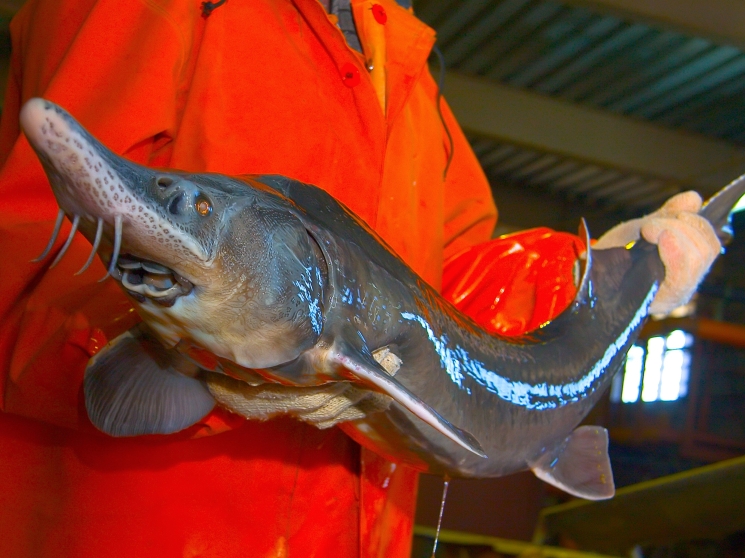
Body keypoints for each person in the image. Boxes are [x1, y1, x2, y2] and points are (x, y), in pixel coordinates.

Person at [0, 1, 719, 557]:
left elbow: (451, 297)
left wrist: (587, 277)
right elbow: (24, 280)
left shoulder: (404, 68)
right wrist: (209, 357)